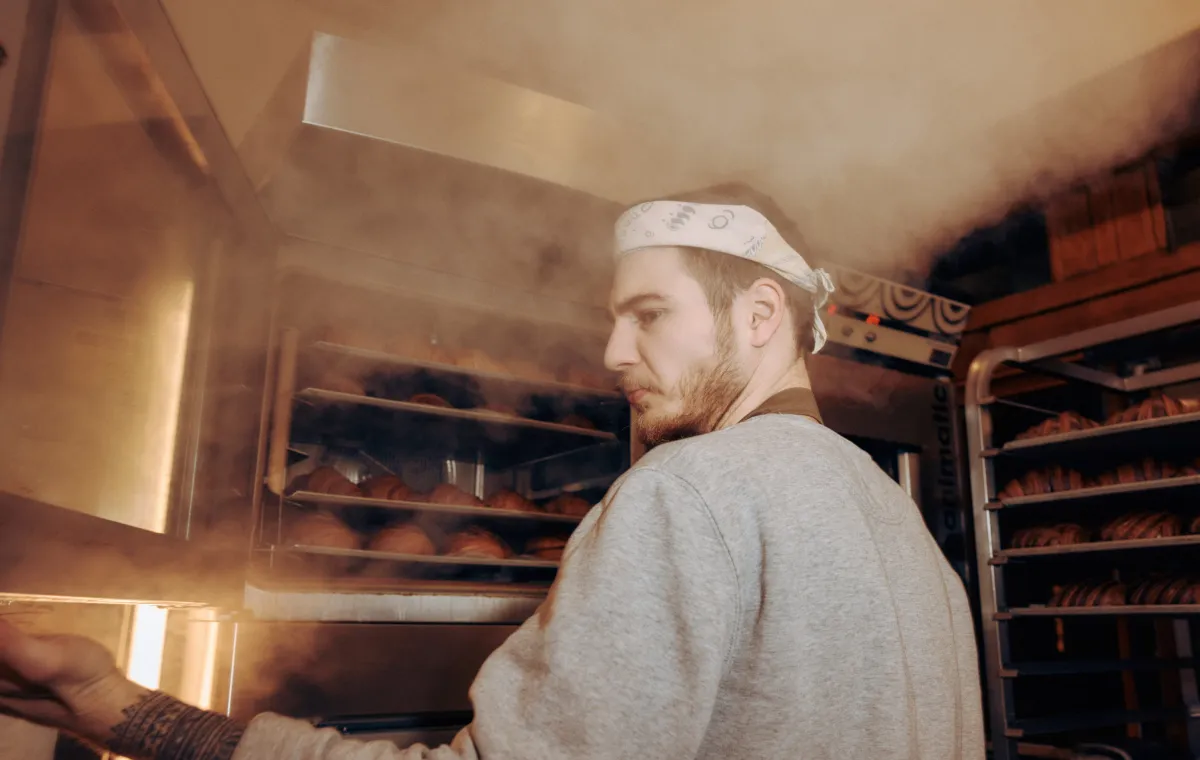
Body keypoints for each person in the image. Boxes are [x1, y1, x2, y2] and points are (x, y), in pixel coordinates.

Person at [0, 196, 984, 759]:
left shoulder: (691, 491)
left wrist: (131, 710)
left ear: (761, 316)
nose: (611, 350)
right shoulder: (902, 528)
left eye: (646, 313)